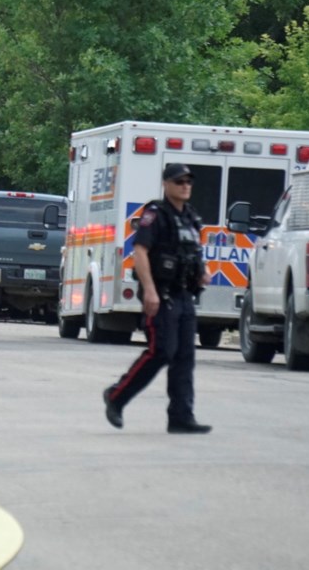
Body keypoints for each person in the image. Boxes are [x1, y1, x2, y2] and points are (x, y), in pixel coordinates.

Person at [103, 164, 212, 434]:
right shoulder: (155, 214)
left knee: (185, 357)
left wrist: (204, 271)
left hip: (185, 295)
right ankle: (117, 396)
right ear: (166, 184)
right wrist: (149, 290)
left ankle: (181, 417)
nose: (185, 185)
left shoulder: (190, 217)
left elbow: (194, 252)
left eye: (188, 181)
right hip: (161, 295)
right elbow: (140, 252)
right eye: (179, 181)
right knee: (161, 351)